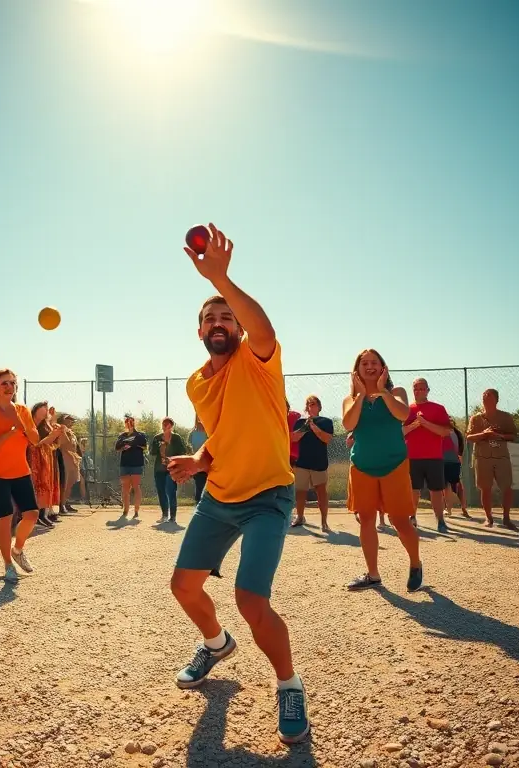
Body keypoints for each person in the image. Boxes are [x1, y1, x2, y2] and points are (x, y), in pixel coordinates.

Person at [165, 224, 309, 745]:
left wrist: (221, 281)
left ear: (239, 327)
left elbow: (263, 327)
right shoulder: (195, 382)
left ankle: (289, 685)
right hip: (220, 496)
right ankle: (217, 644)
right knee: (183, 586)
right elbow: (222, 433)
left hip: (268, 496)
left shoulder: (259, 358)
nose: (220, 322)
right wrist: (199, 460)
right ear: (199, 331)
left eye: (227, 316)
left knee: (251, 599)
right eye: (210, 318)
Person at [342, 349, 422, 593]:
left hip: (394, 465)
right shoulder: (350, 399)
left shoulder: (396, 393)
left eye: (374, 362)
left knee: (400, 520)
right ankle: (373, 575)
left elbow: (403, 414)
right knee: (366, 519)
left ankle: (416, 563)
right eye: (364, 363)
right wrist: (361, 395)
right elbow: (348, 423)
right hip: (362, 466)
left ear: (383, 367)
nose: (370, 367)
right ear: (357, 370)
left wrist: (382, 391)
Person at [0, 369, 44, 582]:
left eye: (12, 383)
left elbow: (35, 440)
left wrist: (22, 425)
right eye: (4, 383)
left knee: (32, 515)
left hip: (20, 470)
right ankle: (7, 565)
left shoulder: (22, 410)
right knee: (4, 516)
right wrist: (11, 431)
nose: (9, 387)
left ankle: (17, 550)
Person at [402, 378, 452, 533]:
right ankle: (412, 517)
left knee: (436, 490)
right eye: (415, 388)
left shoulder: (438, 408)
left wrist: (425, 423)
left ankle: (440, 521)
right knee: (413, 490)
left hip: (433, 456)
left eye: (422, 388)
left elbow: (445, 431)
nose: (418, 391)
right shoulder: (406, 409)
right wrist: (415, 424)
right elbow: (400, 432)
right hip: (412, 456)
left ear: (428, 390)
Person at [465, 389, 518, 529]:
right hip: (482, 457)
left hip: (501, 457)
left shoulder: (505, 417)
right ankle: (488, 518)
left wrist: (499, 436)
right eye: (484, 396)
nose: (486, 398)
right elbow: (469, 437)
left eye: (489, 396)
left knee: (507, 487)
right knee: (485, 488)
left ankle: (506, 518)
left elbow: (513, 435)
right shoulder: (476, 418)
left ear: (496, 399)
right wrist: (484, 434)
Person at [289, 395, 334, 532]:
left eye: (313, 404)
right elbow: (293, 438)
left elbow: (327, 439)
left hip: (319, 463)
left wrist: (315, 428)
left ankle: (324, 522)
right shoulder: (300, 422)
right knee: (300, 492)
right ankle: (300, 517)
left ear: (319, 407)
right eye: (308, 404)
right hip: (302, 463)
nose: (310, 407)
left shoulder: (326, 422)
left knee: (321, 492)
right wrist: (306, 427)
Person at [28, 401, 64, 527]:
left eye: (46, 409)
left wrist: (56, 434)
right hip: (32, 457)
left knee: (45, 484)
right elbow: (35, 443)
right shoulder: (29, 424)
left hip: (45, 457)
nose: (45, 412)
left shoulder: (46, 425)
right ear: (35, 410)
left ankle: (43, 514)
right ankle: (34, 515)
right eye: (42, 409)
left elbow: (54, 444)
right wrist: (51, 436)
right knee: (34, 485)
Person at [149, 417, 188, 523]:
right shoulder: (157, 438)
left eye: (167, 424)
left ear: (171, 426)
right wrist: (159, 446)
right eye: (163, 424)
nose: (165, 426)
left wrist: (174, 460)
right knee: (161, 491)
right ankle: (165, 515)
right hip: (159, 469)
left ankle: (173, 516)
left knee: (171, 491)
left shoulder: (176, 438)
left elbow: (182, 451)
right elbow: (152, 452)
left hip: (171, 469)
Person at [115, 416, 147, 519]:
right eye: (127, 422)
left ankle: (136, 510)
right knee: (125, 488)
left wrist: (133, 445)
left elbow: (144, 446)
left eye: (131, 422)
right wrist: (123, 446)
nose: (129, 424)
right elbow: (117, 448)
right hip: (124, 464)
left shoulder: (140, 435)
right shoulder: (122, 436)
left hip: (136, 464)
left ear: (134, 423)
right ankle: (125, 510)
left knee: (136, 486)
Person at [442, 417, 469, 518]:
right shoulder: (454, 433)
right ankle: (456, 508)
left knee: (450, 485)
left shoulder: (453, 433)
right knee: (452, 485)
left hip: (449, 461)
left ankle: (454, 508)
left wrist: (459, 457)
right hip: (449, 461)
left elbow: (460, 448)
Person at [57, 414, 81, 513]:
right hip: (65, 458)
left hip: (73, 459)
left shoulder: (72, 432)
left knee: (71, 482)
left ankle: (65, 502)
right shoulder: (60, 430)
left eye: (72, 420)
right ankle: (61, 505)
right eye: (68, 419)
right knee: (65, 483)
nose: (71, 422)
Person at [187, 415, 208, 503]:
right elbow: (189, 448)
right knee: (199, 484)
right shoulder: (192, 433)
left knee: (205, 485)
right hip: (197, 462)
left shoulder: (208, 432)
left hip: (207, 462)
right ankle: (198, 503)